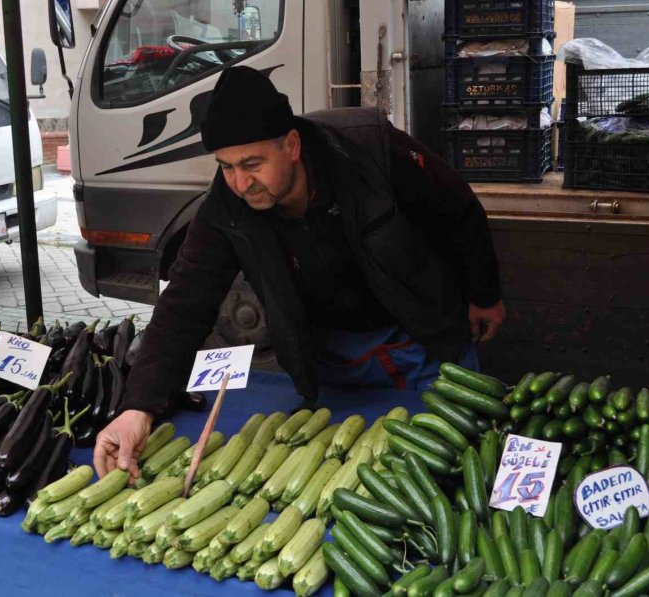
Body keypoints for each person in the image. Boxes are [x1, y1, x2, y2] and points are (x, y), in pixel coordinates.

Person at [93, 66, 505, 480]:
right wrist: (138, 407)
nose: (240, 183)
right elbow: (185, 299)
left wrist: (484, 293)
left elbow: (457, 210)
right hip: (332, 360)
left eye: (252, 164)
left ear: (291, 145)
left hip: (423, 340)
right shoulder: (226, 207)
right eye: (227, 166)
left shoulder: (370, 150)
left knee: (453, 468)